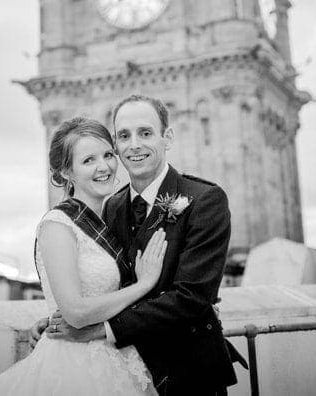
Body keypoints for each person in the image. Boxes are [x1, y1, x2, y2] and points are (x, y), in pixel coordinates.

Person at [32, 95, 244, 395]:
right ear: (116, 145)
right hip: (126, 370)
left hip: (188, 372)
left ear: (166, 137)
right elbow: (110, 284)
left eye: (145, 133)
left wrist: (99, 329)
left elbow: (192, 297)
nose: (134, 145)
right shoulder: (112, 206)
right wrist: (58, 317)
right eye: (123, 136)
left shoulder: (205, 199)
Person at [0, 117, 166, 395]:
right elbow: (74, 312)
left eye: (108, 155)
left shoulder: (110, 218)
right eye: (88, 160)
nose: (104, 167)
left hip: (117, 356)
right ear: (66, 172)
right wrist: (143, 285)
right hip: (74, 364)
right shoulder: (57, 225)